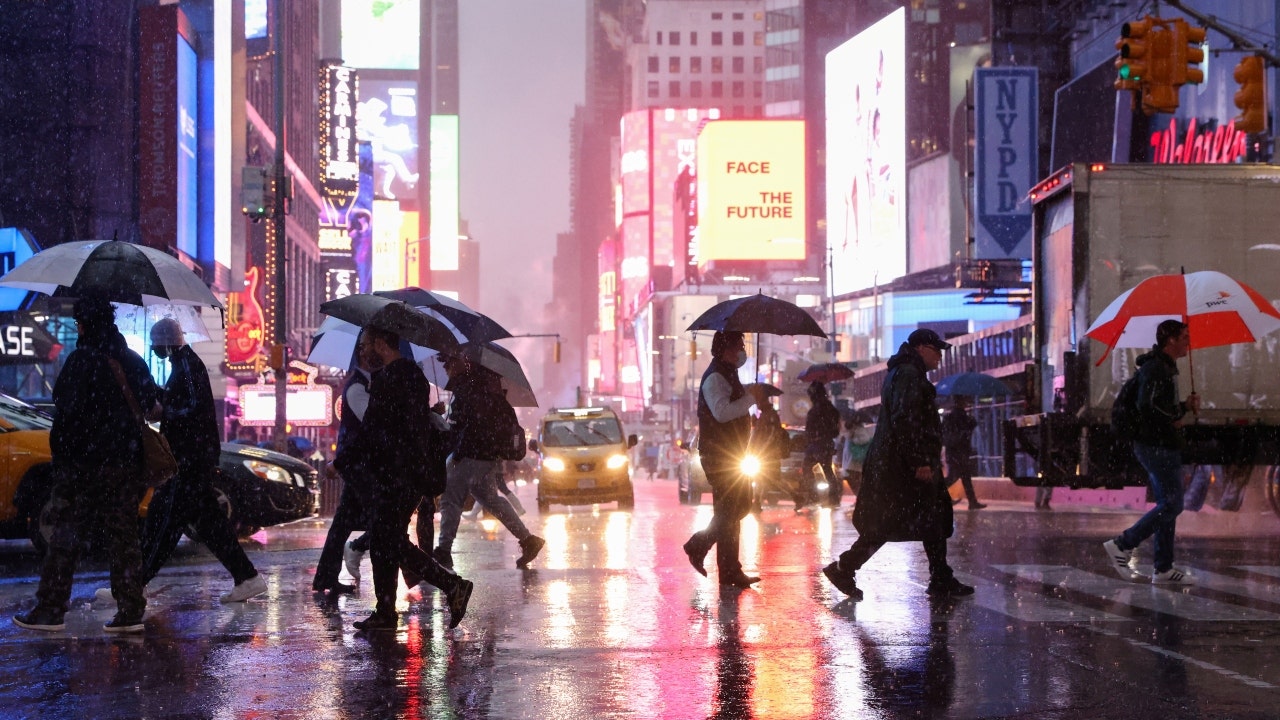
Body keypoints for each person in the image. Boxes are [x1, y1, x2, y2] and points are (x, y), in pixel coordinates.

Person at [13, 295, 162, 633]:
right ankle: (130, 610)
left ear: (82, 324)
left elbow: (65, 413)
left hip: (82, 467)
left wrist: (66, 457)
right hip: (124, 464)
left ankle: (51, 608)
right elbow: (153, 407)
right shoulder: (130, 360)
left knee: (65, 537)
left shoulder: (80, 360)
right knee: (123, 537)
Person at [103, 318, 266, 604]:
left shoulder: (188, 366)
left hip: (189, 460)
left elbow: (190, 407)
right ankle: (247, 577)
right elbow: (185, 403)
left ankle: (132, 586)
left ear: (167, 341)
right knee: (209, 524)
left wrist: (164, 410)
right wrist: (162, 400)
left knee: (162, 522)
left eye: (156, 345)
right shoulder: (183, 366)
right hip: (192, 458)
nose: (154, 350)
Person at [823, 329, 975, 601]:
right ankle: (844, 567)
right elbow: (906, 419)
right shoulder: (908, 375)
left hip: (899, 461)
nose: (940, 356)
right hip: (904, 465)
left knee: (932, 518)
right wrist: (919, 461)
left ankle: (940, 576)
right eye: (936, 349)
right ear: (921, 348)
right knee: (892, 522)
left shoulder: (905, 372)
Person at [338, 327, 472, 631]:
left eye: (366, 344)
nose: (363, 351)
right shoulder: (413, 376)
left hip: (393, 473)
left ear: (382, 343)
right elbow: (407, 425)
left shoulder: (389, 378)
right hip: (409, 471)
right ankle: (385, 610)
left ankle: (452, 585)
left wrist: (347, 458)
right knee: (387, 540)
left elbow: (376, 429)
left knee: (389, 540)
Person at [1102, 319, 1199, 584]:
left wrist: (1184, 406)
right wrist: (1179, 412)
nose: (1187, 342)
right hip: (1156, 445)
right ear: (1170, 340)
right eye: (1184, 337)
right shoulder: (1157, 369)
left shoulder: (1164, 367)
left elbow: (1156, 405)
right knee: (1173, 504)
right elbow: (1148, 406)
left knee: (1166, 504)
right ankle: (1122, 544)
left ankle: (1163, 568)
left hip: (1160, 443)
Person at [434, 349, 544, 569]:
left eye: (448, 362)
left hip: (470, 455)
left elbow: (467, 427)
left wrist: (456, 451)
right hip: (486, 455)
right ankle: (528, 540)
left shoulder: (467, 388)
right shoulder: (484, 386)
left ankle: (443, 550)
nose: (445, 368)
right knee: (491, 500)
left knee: (451, 499)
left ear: (461, 362)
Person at [681, 331, 769, 588]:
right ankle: (699, 546)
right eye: (738, 345)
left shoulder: (728, 374)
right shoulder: (715, 377)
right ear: (724, 349)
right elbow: (721, 413)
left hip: (732, 454)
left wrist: (746, 417)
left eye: (742, 345)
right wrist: (750, 399)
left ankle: (730, 570)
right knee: (734, 508)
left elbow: (732, 411)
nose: (742, 350)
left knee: (734, 509)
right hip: (720, 456)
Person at [312, 336, 380, 595]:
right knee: (381, 516)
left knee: (342, 524)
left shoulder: (366, 384)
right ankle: (356, 550)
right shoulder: (357, 388)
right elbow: (369, 426)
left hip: (356, 463)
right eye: (367, 348)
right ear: (362, 355)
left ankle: (325, 577)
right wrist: (340, 462)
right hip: (357, 465)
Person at [941, 397, 986, 510]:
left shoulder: (948, 417)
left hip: (952, 451)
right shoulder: (963, 417)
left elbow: (944, 433)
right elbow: (970, 427)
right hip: (961, 451)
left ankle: (972, 501)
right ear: (962, 403)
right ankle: (937, 495)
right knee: (958, 477)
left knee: (961, 477)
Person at [804, 381, 842, 508]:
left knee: (808, 468)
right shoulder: (831, 409)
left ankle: (814, 496)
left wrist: (814, 436)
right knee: (827, 470)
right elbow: (835, 429)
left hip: (817, 443)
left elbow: (809, 429)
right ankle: (833, 497)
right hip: (826, 443)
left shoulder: (817, 410)